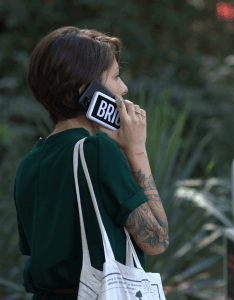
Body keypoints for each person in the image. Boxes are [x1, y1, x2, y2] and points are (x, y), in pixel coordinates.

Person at [14, 26, 171, 300]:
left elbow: (38, 249)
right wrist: (136, 150)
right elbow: (157, 240)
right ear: (87, 91)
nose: (123, 88)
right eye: (116, 76)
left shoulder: (28, 164)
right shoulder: (99, 151)